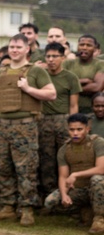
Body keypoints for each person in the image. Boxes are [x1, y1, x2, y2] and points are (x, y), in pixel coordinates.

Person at [0, 34, 57, 226]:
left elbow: (51, 93)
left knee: (26, 169)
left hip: (25, 125)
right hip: (3, 127)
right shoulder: (0, 73)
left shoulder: (35, 71)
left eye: (18, 47)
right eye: (11, 47)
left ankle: (26, 209)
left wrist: (28, 89)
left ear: (27, 49)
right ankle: (8, 206)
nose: (14, 50)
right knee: (3, 167)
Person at [41, 113, 104, 235]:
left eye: (79, 129)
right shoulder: (64, 149)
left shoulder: (98, 143)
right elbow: (63, 176)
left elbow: (101, 169)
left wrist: (75, 174)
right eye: (72, 130)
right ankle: (84, 211)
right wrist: (64, 195)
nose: (75, 133)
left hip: (98, 188)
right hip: (80, 189)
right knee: (51, 202)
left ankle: (99, 219)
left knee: (97, 180)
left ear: (87, 129)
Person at [38, 42, 81, 201]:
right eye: (48, 56)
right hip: (43, 121)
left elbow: (74, 105)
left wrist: (73, 127)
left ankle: (69, 197)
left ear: (63, 57)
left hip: (64, 120)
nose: (51, 59)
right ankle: (48, 197)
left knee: (66, 159)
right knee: (46, 161)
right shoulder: (40, 74)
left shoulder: (70, 77)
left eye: (55, 56)